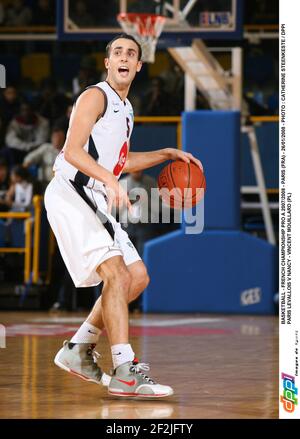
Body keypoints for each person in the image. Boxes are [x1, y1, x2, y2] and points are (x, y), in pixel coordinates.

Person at [44, 33, 202, 398]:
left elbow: (118, 162)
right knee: (115, 272)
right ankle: (124, 369)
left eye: (131, 53)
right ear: (108, 62)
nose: (124, 57)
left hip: (95, 194)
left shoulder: (126, 109)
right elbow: (71, 152)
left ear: (139, 65)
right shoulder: (94, 96)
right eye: (118, 52)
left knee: (137, 276)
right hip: (72, 192)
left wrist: (164, 153)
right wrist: (111, 184)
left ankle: (79, 350)